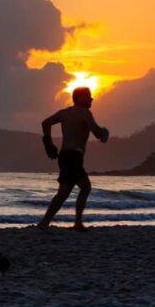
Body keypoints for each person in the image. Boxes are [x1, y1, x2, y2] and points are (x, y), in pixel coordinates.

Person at [38, 87, 109, 231]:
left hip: (65, 156)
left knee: (65, 191)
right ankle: (75, 222)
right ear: (79, 98)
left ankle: (45, 222)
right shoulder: (85, 113)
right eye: (88, 96)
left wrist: (48, 142)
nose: (91, 99)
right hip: (74, 156)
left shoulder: (64, 113)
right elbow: (96, 132)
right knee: (84, 187)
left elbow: (45, 123)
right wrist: (105, 133)